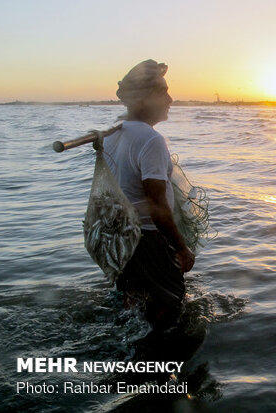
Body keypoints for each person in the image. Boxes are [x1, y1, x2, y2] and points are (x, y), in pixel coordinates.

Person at [103, 59, 195, 330]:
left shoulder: (113, 134)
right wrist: (181, 248)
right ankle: (156, 367)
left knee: (132, 307)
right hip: (147, 240)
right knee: (169, 310)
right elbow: (155, 204)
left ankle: (127, 363)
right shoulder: (151, 139)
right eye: (163, 92)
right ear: (144, 98)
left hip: (121, 238)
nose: (170, 99)